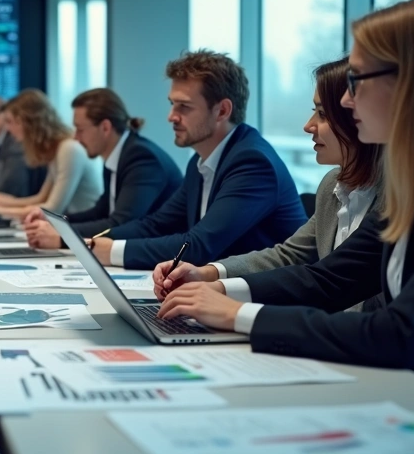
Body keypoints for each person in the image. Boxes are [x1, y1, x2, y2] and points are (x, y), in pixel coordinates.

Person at [157, 0, 414, 429]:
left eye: (355, 80)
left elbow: (400, 333)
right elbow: (330, 278)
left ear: (411, 82)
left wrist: (237, 315)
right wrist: (219, 288)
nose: (347, 101)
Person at [151, 57, 384, 312]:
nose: (308, 126)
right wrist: (208, 274)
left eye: (323, 114)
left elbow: (337, 289)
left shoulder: (400, 198)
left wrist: (233, 309)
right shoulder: (333, 185)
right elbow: (288, 256)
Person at [89, 50, 306, 270]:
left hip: (264, 298)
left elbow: (200, 246)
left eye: (183, 106)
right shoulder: (200, 161)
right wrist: (93, 243)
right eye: (172, 104)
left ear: (222, 111)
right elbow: (156, 225)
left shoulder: (253, 163)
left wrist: (113, 252)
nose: (171, 116)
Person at [24, 88, 183, 247]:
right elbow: (100, 212)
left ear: (105, 127)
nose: (75, 137)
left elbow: (121, 223)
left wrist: (64, 236)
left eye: (80, 129)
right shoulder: (119, 155)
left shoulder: (142, 157)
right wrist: (54, 220)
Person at [0, 89, 103, 219]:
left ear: (27, 122)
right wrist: (4, 203)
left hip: (86, 231)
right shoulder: (57, 150)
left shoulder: (69, 149)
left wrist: (1, 210)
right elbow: (41, 198)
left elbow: (53, 209)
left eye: (10, 121)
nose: (8, 128)